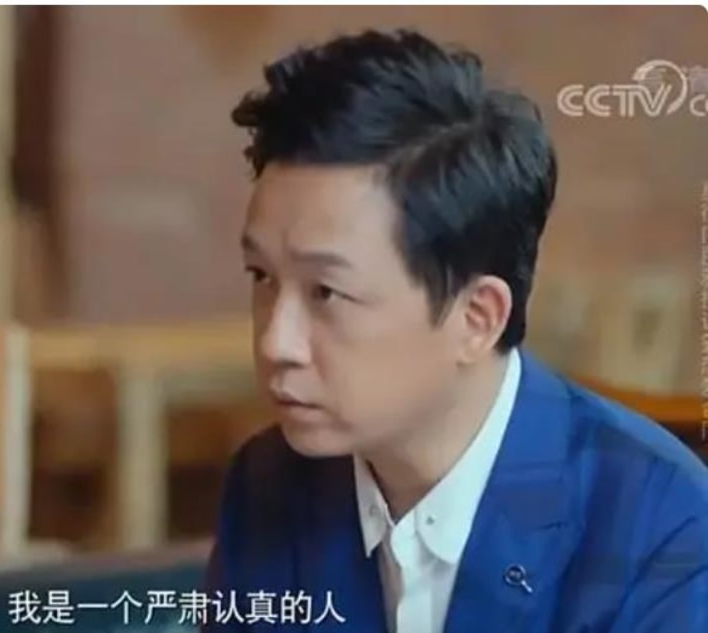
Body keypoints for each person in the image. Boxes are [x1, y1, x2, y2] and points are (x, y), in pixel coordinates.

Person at [204, 28, 708, 632]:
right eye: (261, 276)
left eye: (326, 292)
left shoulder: (660, 526)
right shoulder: (269, 482)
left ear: (478, 317)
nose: (274, 343)